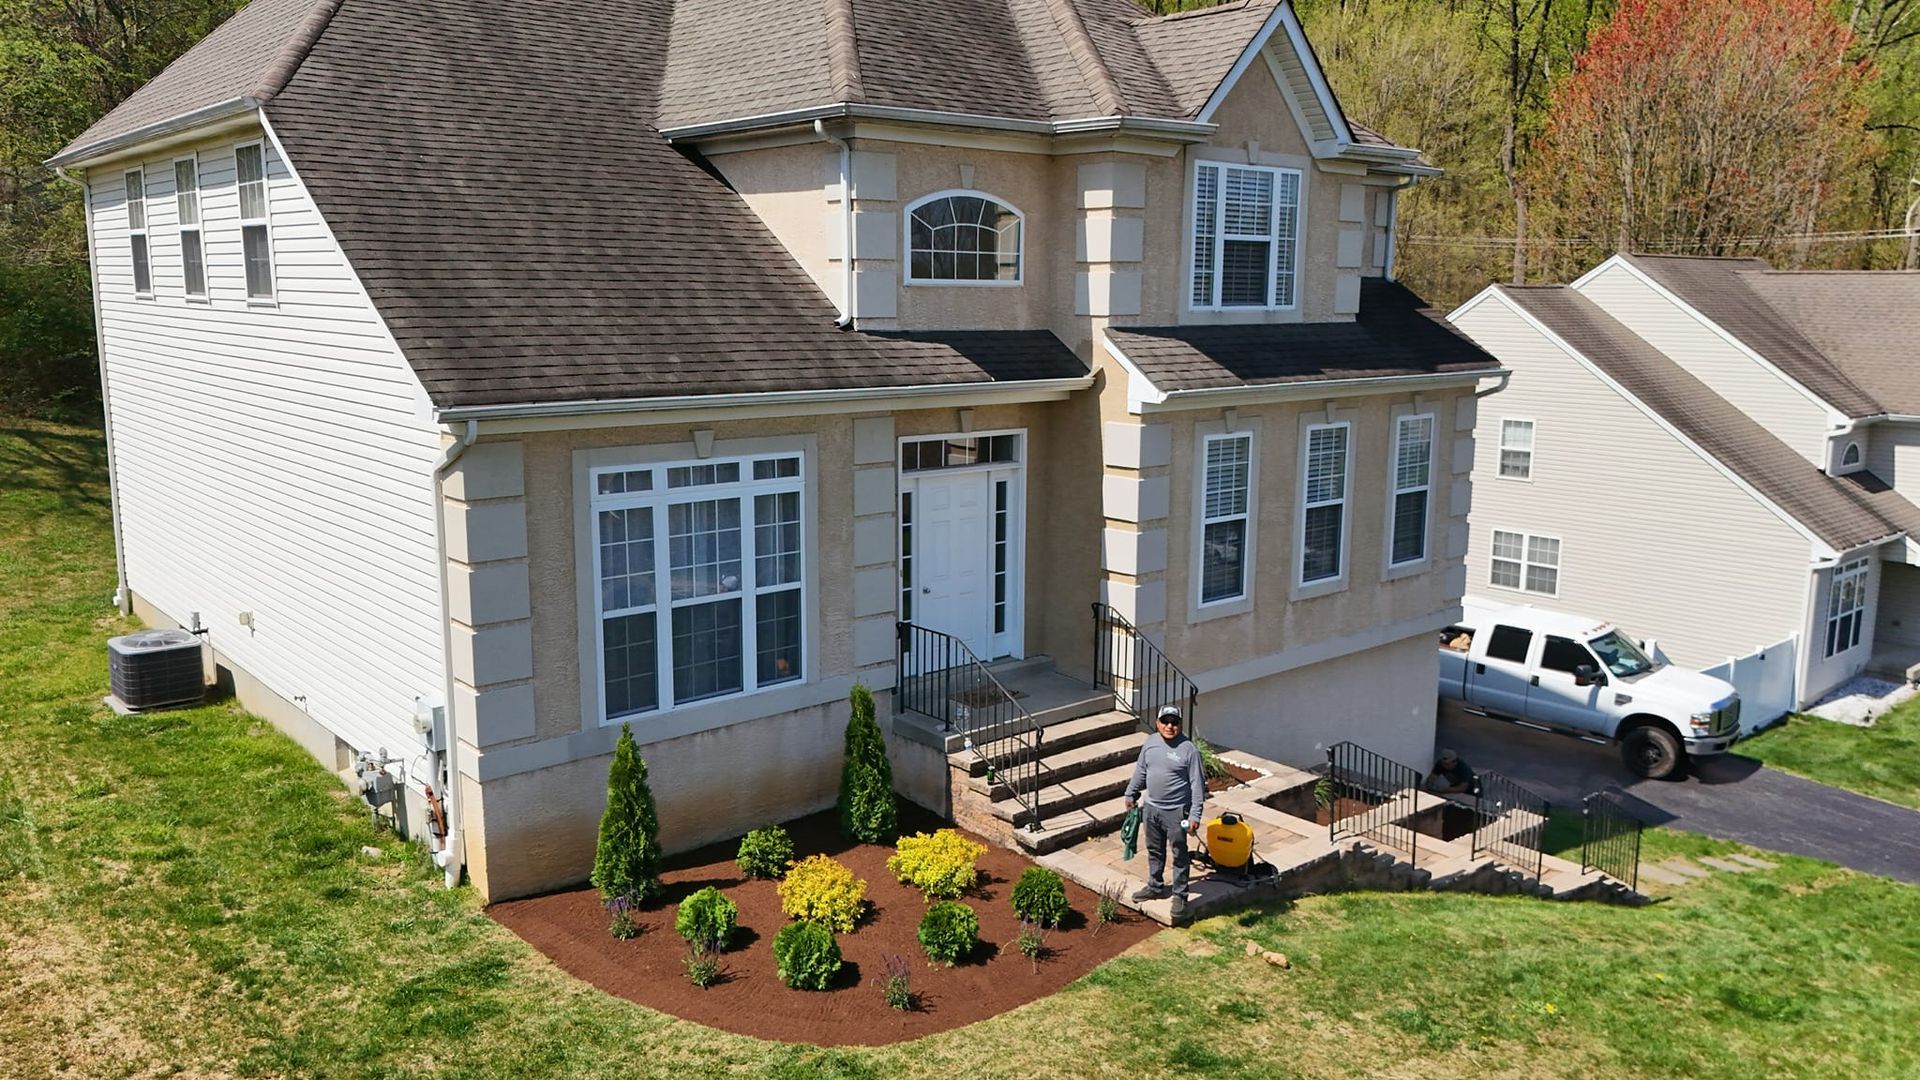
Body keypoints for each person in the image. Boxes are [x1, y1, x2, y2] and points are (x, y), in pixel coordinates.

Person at [1123, 704, 1206, 921]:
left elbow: (1198, 786)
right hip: (1151, 808)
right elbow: (1141, 770)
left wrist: (1195, 815)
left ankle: (1180, 895)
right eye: (1165, 721)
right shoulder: (1150, 743)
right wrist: (1130, 793)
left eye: (1174, 722)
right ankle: (1155, 886)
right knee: (1154, 850)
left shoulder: (1189, 750)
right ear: (1158, 723)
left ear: (1180, 724)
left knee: (1179, 855)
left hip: (1176, 812)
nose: (1170, 726)